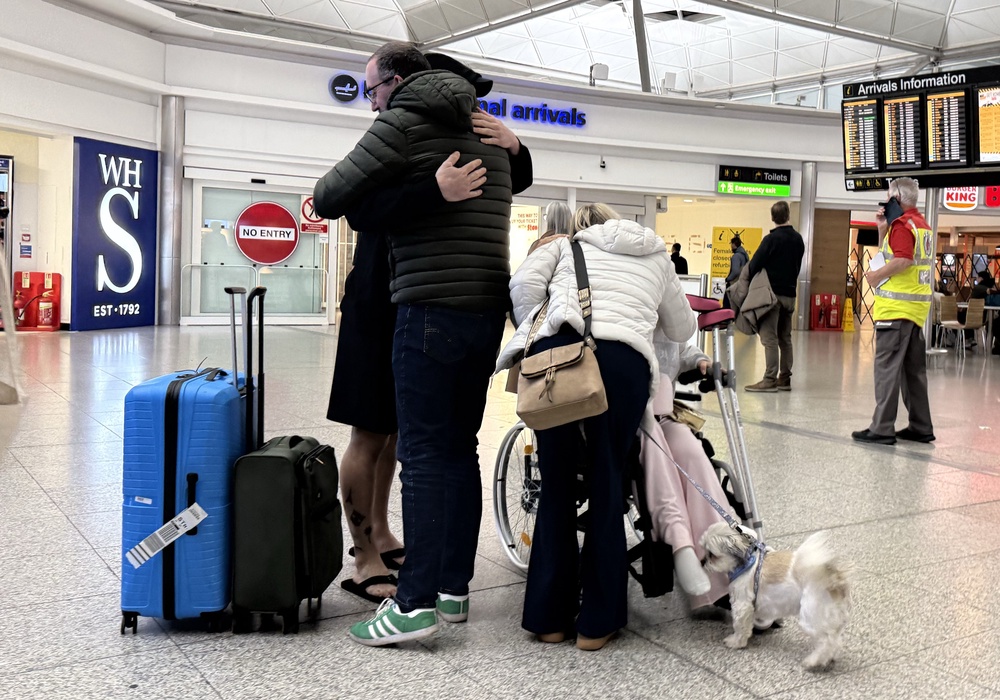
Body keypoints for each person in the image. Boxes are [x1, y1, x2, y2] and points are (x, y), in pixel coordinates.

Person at [314, 41, 528, 646]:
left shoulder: (402, 125)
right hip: (483, 311)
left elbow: (330, 197)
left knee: (425, 455)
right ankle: (449, 588)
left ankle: (414, 605)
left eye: (373, 89)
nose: (370, 103)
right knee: (457, 450)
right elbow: (516, 176)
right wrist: (437, 188)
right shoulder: (485, 128)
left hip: (423, 307)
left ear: (402, 83)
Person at [496, 204, 697, 651]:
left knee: (557, 487)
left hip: (562, 360)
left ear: (588, 227)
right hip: (623, 366)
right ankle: (596, 624)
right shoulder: (658, 255)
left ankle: (549, 619)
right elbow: (683, 325)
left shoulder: (568, 245)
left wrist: (544, 325)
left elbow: (523, 284)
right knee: (608, 485)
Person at [637, 333, 733, 608]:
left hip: (662, 413)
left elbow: (679, 349)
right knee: (658, 453)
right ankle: (681, 545)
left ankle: (724, 566)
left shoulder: (663, 312)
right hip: (623, 418)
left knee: (692, 452)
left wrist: (700, 361)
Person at [852, 177, 934, 445]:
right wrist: (882, 229)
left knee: (886, 369)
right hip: (915, 311)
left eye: (889, 196)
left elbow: (903, 259)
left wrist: (875, 277)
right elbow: (896, 252)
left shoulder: (902, 225)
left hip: (895, 311)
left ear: (897, 197)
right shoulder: (920, 225)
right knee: (913, 372)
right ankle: (921, 426)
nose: (886, 201)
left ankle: (882, 428)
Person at [744, 201, 804, 392]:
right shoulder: (798, 239)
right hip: (790, 295)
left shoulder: (771, 240)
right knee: (785, 338)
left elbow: (754, 265)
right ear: (788, 215)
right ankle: (784, 378)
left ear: (772, 217)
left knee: (769, 339)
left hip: (771, 296)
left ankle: (769, 380)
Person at [722, 235, 749, 310]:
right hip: (742, 283)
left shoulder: (736, 256)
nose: (731, 246)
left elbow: (735, 271)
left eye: (731, 244)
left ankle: (726, 320)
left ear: (734, 244)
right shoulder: (745, 256)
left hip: (734, 284)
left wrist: (728, 279)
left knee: (727, 304)